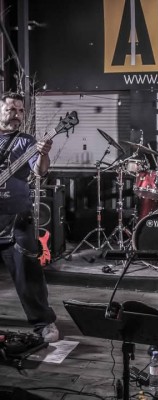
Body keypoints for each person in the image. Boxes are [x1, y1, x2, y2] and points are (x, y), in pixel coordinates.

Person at [0, 92, 59, 342]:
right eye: (11, 110)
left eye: (21, 111)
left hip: (17, 218)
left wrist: (43, 153)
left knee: (29, 273)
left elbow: (39, 171)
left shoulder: (27, 142)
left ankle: (44, 323)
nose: (17, 115)